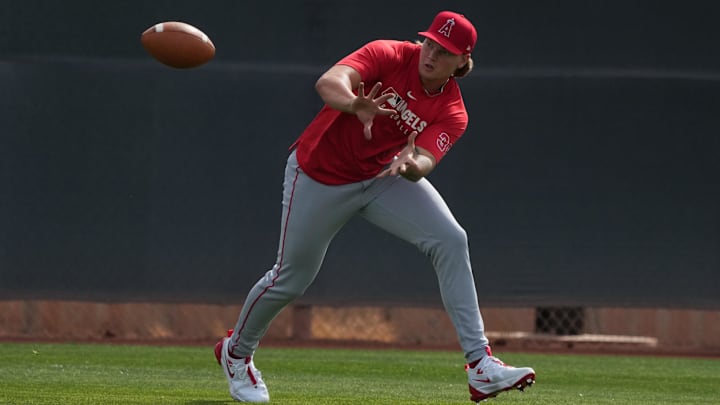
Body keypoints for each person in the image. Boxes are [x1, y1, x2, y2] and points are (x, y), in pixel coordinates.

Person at [214, 10, 536, 403]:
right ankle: (236, 353)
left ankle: (480, 365)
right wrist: (354, 104)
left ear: (462, 62)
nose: (431, 54)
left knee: (451, 239)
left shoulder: (453, 111)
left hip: (383, 177)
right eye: (430, 43)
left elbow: (426, 161)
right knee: (290, 279)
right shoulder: (389, 54)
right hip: (319, 174)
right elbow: (328, 81)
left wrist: (413, 167)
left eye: (445, 51)